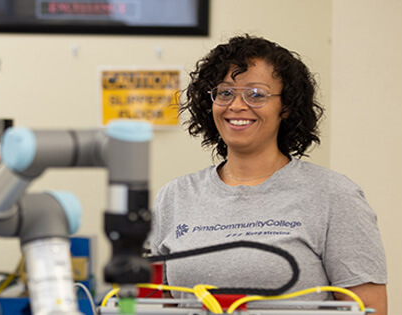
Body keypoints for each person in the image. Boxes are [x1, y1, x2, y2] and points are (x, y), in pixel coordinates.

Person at [147, 35, 388, 314]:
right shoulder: (175, 197)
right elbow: (154, 303)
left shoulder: (334, 196)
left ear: (285, 107)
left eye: (256, 94)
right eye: (225, 93)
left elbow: (369, 308)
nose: (237, 106)